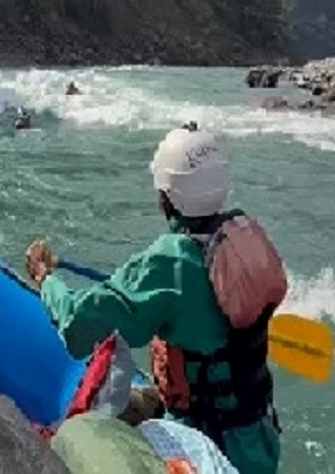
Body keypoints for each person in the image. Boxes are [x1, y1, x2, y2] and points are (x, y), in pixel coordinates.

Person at [25, 123, 283, 474]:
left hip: (205, 443)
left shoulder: (168, 262)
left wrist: (46, 280)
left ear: (167, 195)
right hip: (259, 436)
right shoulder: (242, 234)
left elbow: (77, 327)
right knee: (139, 403)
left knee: (78, 432)